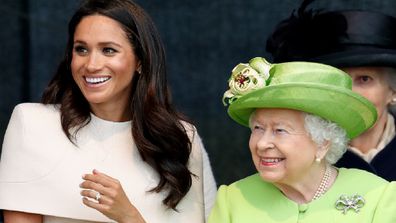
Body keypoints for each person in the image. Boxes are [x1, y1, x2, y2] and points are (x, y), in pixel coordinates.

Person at [0, 0, 217, 222]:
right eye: (81, 49)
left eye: (108, 50)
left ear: (140, 61)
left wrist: (129, 216)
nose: (92, 64)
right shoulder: (33, 124)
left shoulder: (180, 138)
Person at [208, 57, 396, 222]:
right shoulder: (232, 199)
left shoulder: (379, 196)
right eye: (258, 128)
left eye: (280, 130)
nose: (262, 143)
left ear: (323, 143)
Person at [266, 0, 396, 180]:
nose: (350, 93)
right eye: (337, 79)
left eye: (364, 79)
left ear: (393, 92)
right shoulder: (298, 152)